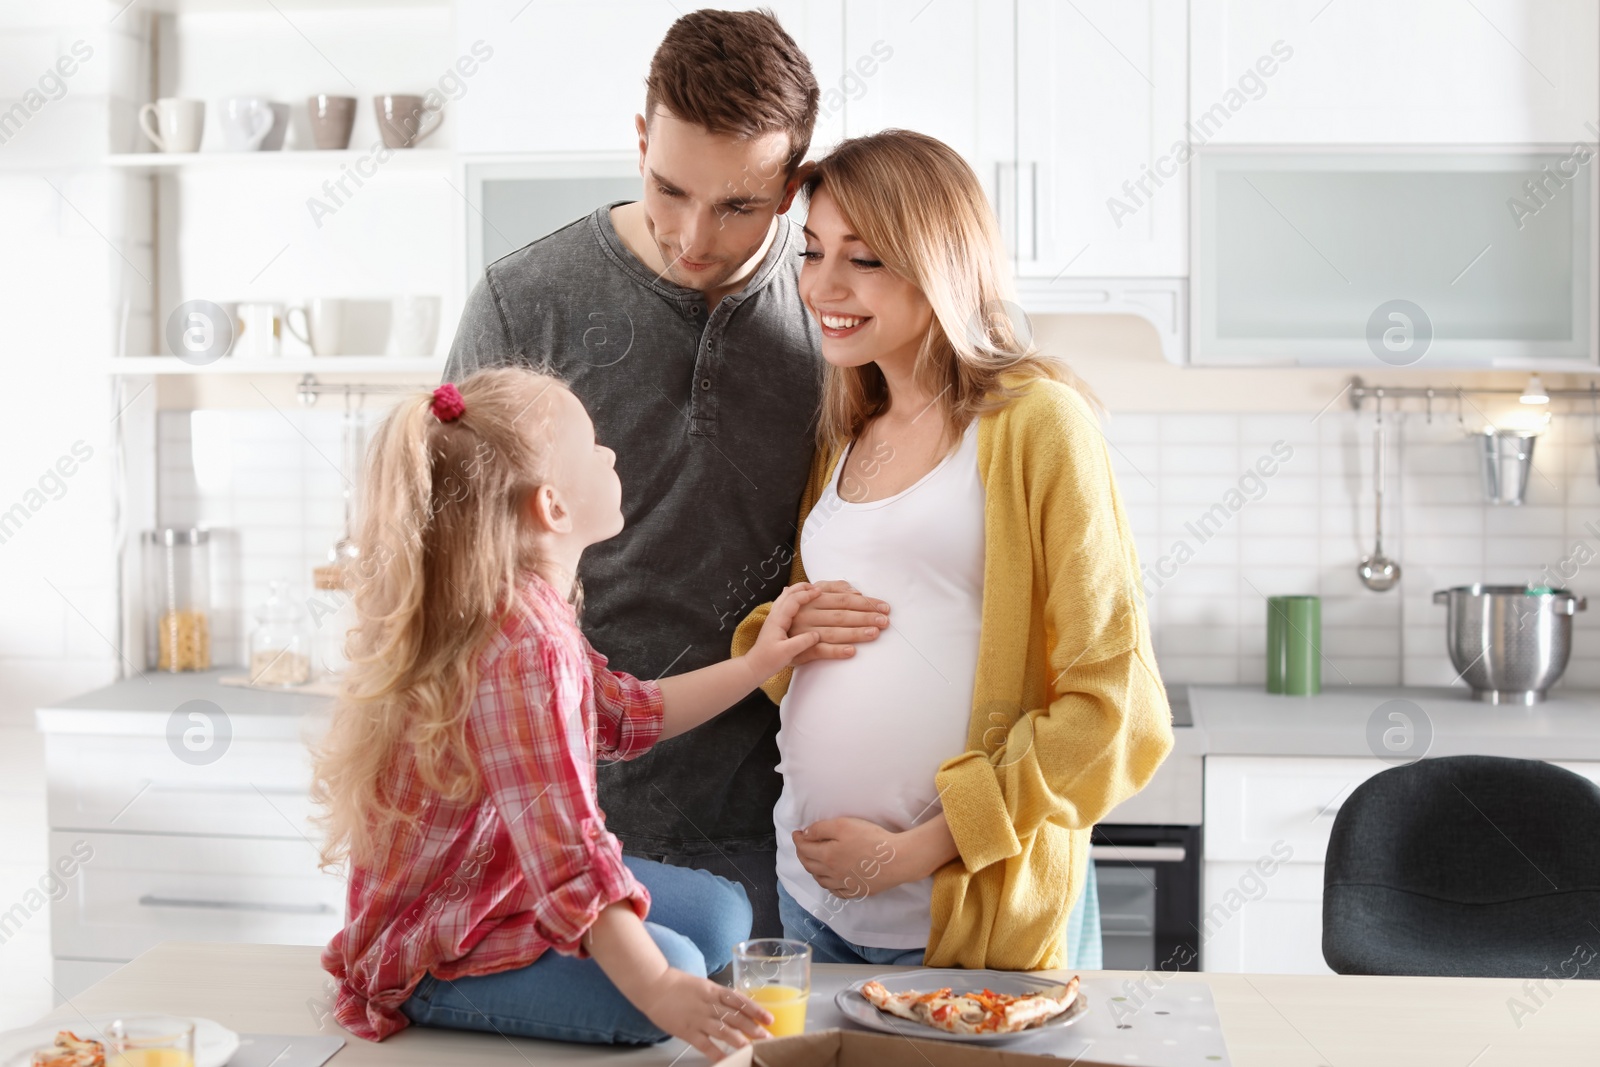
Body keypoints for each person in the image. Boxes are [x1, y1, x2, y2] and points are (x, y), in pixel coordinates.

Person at [441, 6, 886, 940]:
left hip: (771, 825)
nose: (693, 237)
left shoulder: (841, 323)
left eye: (737, 206)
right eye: (668, 187)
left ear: (794, 186)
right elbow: (452, 569)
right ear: (640, 140)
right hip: (558, 808)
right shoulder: (524, 304)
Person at [731, 130, 1176, 970]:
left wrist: (923, 845)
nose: (821, 285)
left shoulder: (1036, 423)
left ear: (937, 263)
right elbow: (816, 632)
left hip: (954, 919)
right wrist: (774, 630)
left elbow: (1117, 709)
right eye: (813, 251)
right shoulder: (847, 433)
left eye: (862, 260)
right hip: (808, 899)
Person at [313, 369, 824, 1057]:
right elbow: (570, 856)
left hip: (499, 887)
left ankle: (629, 962)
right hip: (432, 944)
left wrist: (758, 663)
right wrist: (660, 989)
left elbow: (622, 714)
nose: (612, 454)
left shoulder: (523, 604)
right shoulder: (523, 643)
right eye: (595, 446)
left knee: (720, 914)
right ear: (552, 506)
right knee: (666, 970)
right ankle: (441, 991)